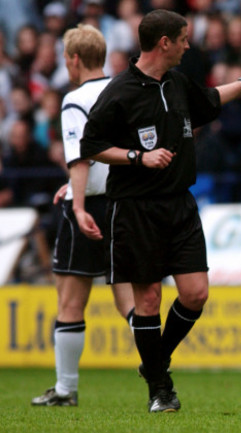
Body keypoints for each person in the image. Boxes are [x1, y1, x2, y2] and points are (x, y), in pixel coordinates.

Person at [79, 9, 241, 413]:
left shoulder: (176, 83)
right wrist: (138, 157)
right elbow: (90, 146)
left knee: (195, 293)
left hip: (180, 205)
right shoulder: (119, 92)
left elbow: (209, 100)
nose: (190, 45)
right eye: (184, 38)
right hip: (135, 209)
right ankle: (160, 388)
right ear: (164, 42)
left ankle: (156, 360)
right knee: (149, 299)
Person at [31, 24, 134, 407]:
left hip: (89, 206)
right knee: (130, 300)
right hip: (126, 203)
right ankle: (160, 382)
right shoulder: (124, 90)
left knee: (71, 301)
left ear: (73, 59)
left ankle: (65, 390)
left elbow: (80, 158)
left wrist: (75, 203)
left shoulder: (75, 99)